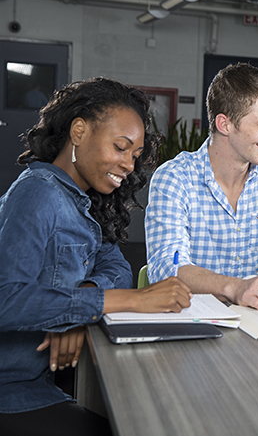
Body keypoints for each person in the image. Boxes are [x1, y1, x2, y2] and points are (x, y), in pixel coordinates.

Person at [0, 78, 193, 436]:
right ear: (79, 131)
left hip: (53, 380)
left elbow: (117, 266)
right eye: (120, 148)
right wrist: (128, 300)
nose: (129, 165)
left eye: (134, 156)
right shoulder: (37, 194)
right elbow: (6, 300)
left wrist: (78, 310)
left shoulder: (83, 202)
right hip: (12, 391)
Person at [145, 63, 258, 311]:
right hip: (196, 318)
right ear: (225, 124)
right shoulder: (174, 179)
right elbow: (167, 269)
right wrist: (235, 288)